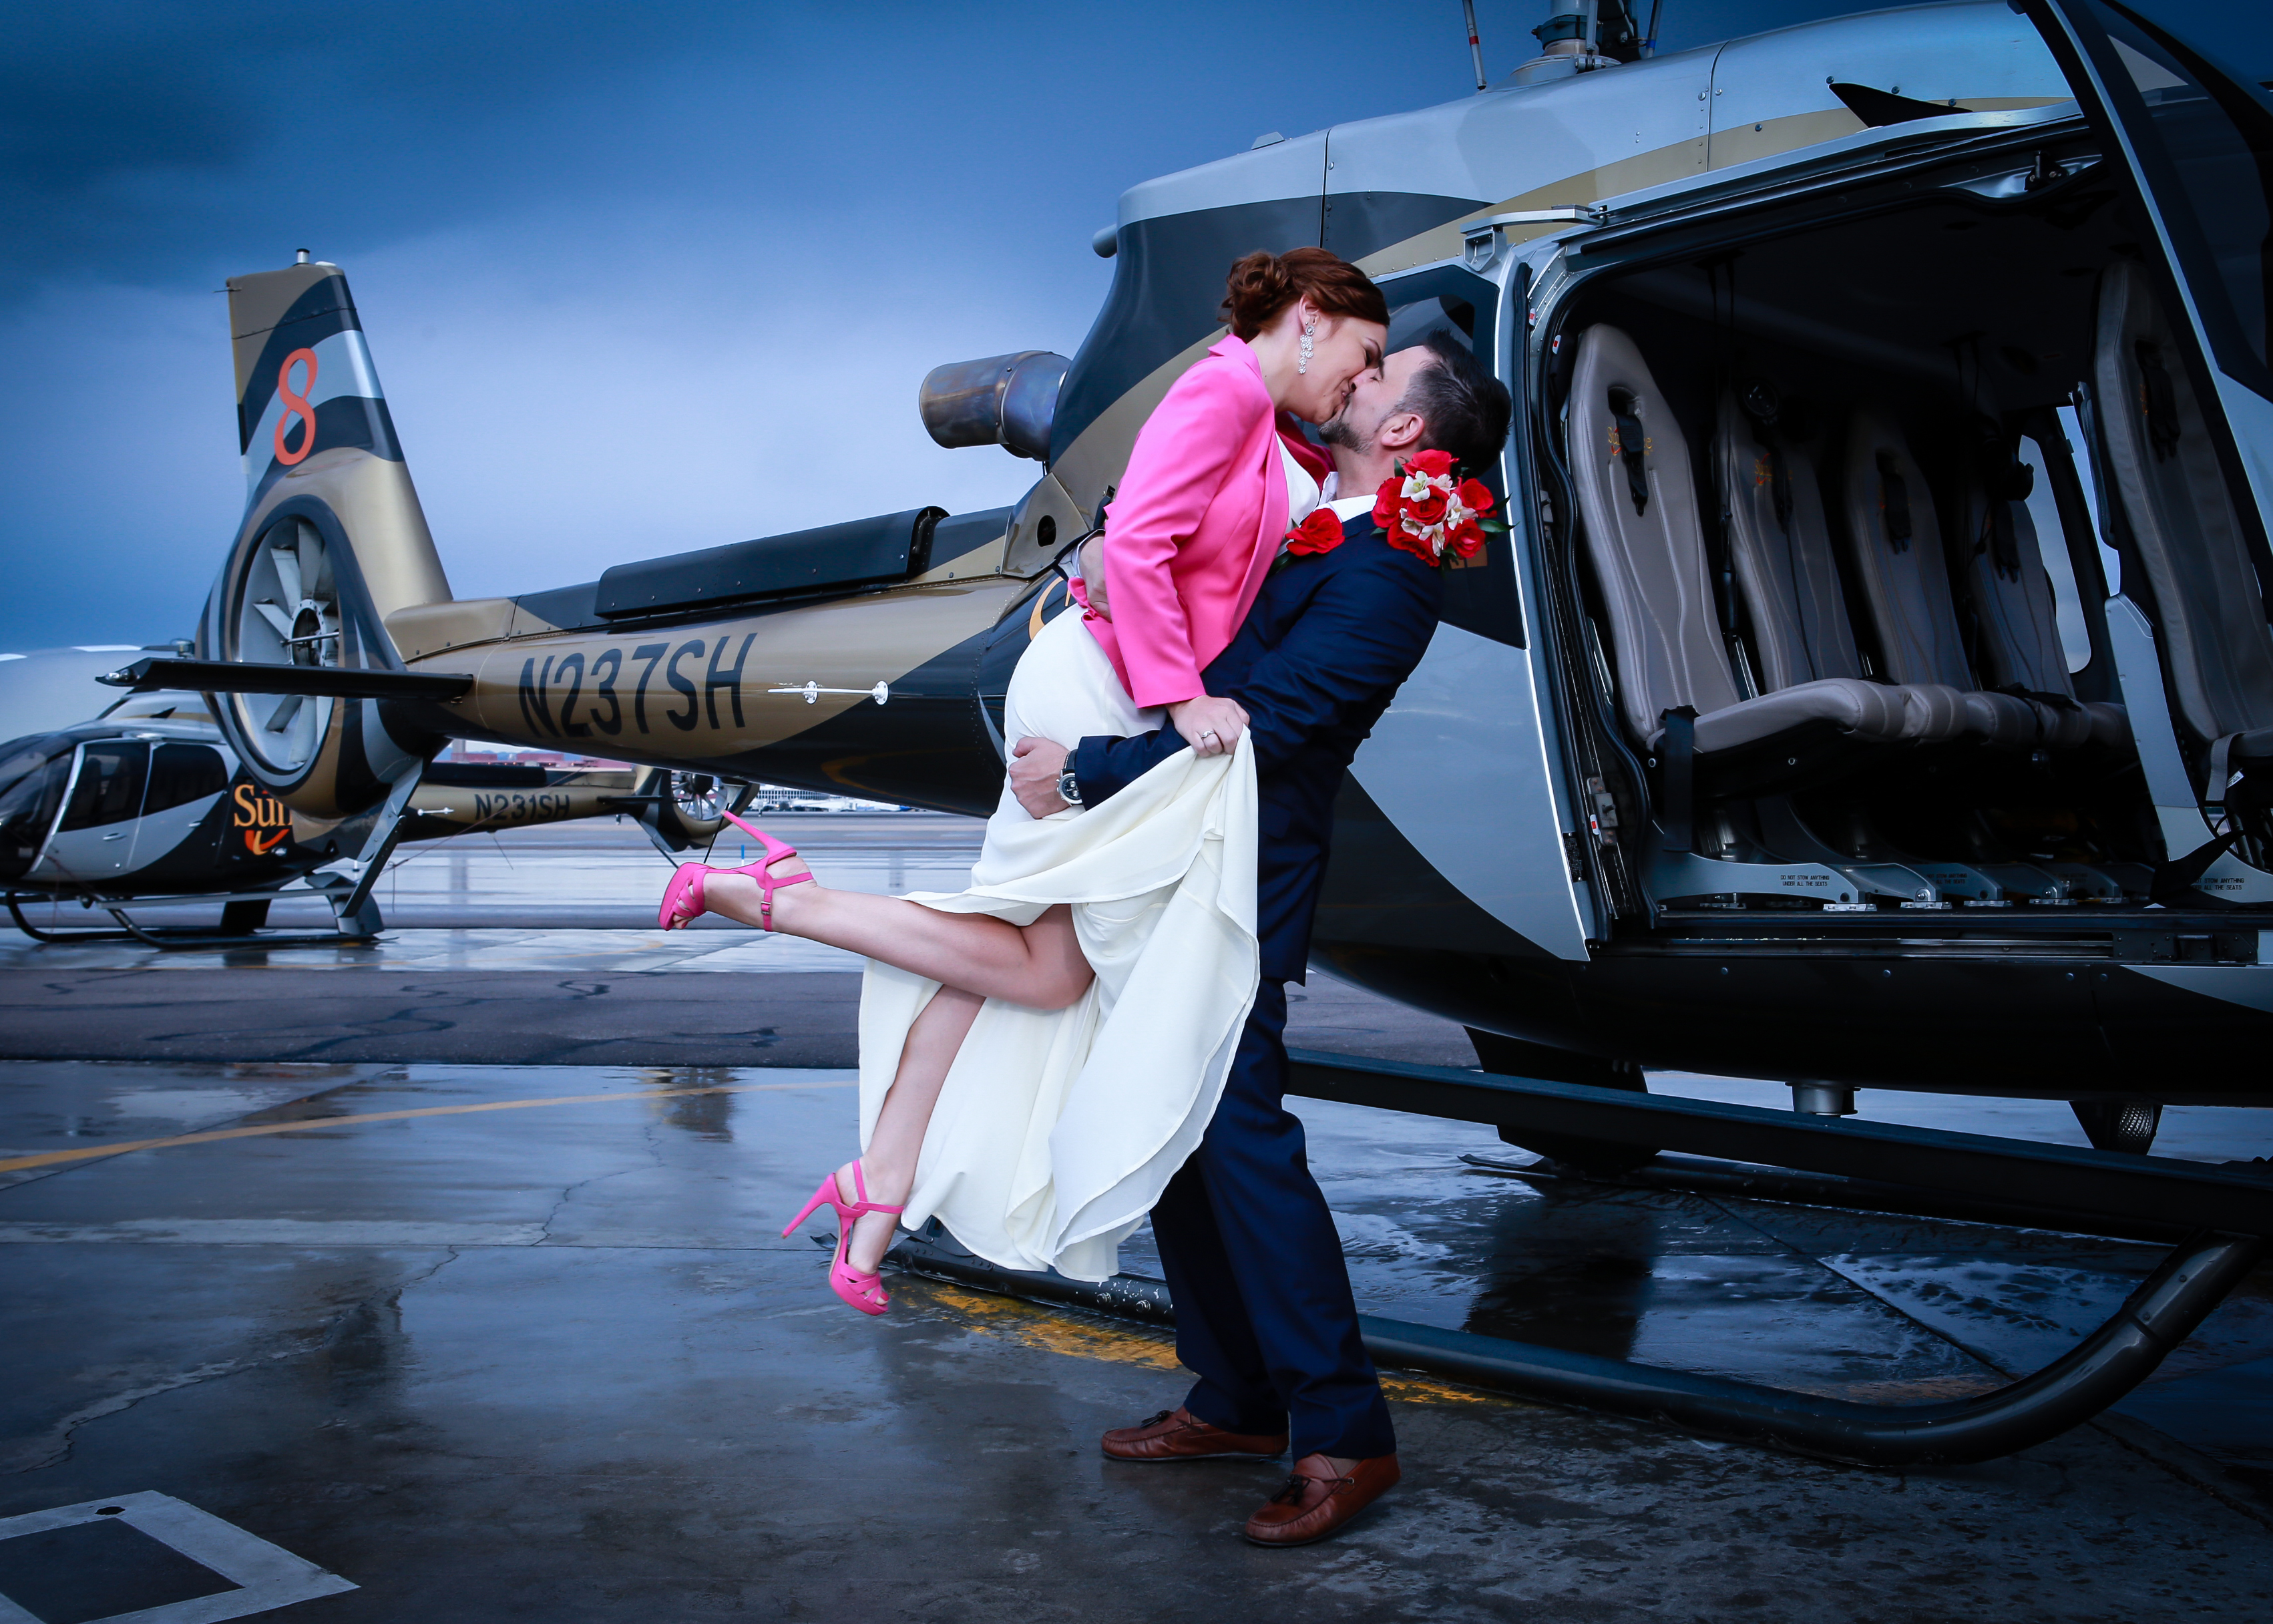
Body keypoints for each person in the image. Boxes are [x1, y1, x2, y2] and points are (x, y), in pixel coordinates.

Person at [659, 248, 1389, 1313]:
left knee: (1002, 956)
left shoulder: (1269, 422)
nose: (1358, 385)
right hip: (1102, 690)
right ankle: (779, 902)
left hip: (1121, 685)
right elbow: (1137, 544)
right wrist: (1182, 696)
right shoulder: (1222, 388)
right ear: (1313, 320)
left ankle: (881, 1182)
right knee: (1043, 971)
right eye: (1361, 355)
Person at [1009, 328, 1512, 1548]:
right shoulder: (1317, 508)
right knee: (1180, 1137)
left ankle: (1346, 1436)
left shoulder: (1393, 564)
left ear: (1403, 432)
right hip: (1174, 868)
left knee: (1243, 1147)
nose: (1359, 372)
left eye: (1381, 374)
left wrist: (1085, 770)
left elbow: (1272, 723)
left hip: (1237, 882)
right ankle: (1234, 1397)